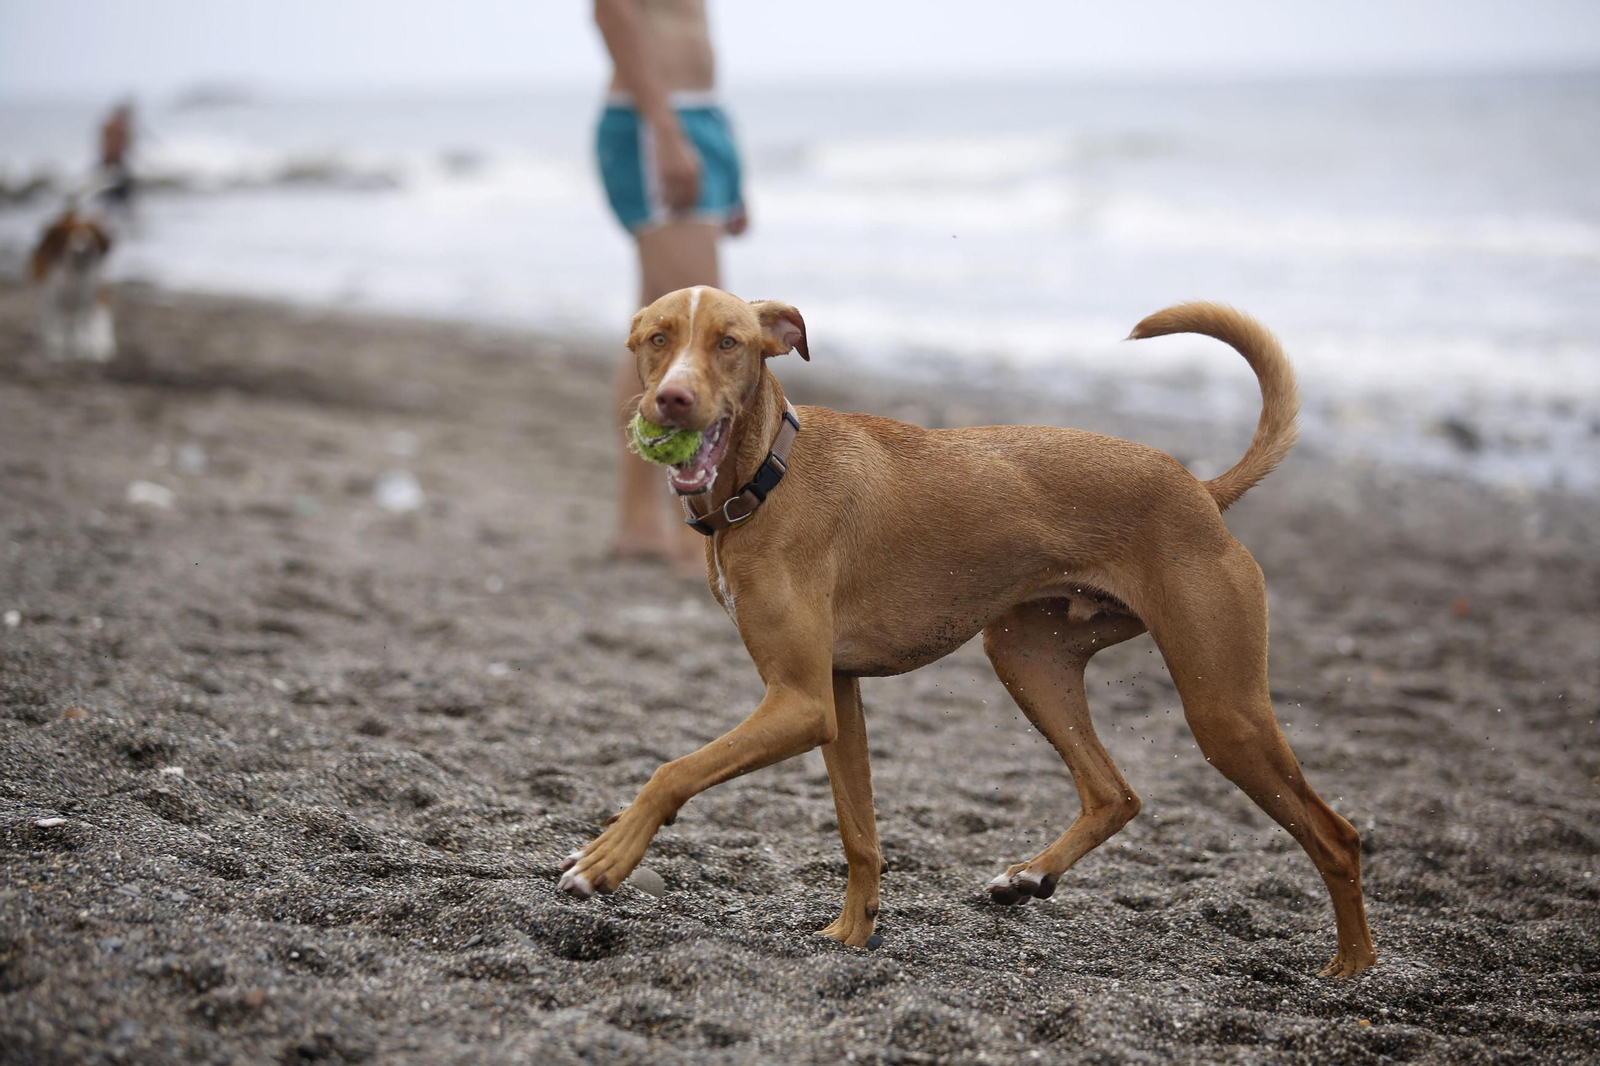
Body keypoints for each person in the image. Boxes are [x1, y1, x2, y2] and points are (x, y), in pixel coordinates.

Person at [593, 0, 747, 573]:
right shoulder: (657, 125)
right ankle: (692, 531)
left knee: (658, 334)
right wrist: (664, 129)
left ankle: (640, 524)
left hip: (698, 116)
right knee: (699, 337)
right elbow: (612, 12)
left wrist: (727, 158)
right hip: (652, 120)